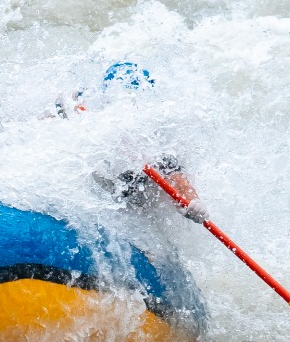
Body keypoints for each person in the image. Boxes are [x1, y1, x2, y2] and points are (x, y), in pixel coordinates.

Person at [53, 61, 208, 223]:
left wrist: (193, 203)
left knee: (161, 164)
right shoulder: (92, 116)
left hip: (139, 196)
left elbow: (176, 176)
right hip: (105, 186)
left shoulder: (157, 135)